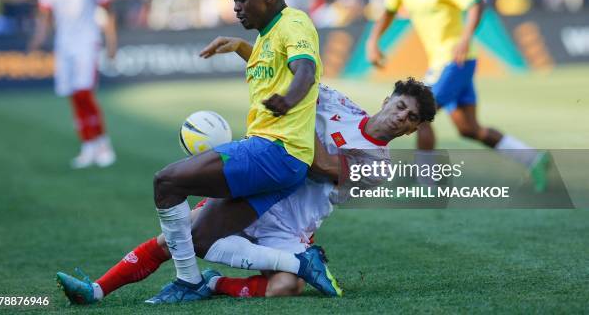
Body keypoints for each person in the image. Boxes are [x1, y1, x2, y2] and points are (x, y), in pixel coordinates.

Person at [55, 78, 437, 303]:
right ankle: (96, 290)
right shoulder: (339, 103)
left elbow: (322, 167)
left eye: (411, 117)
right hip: (257, 187)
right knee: (174, 239)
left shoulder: (379, 166)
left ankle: (212, 283)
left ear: (411, 130)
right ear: (387, 100)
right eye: (401, 105)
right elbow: (294, 83)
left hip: (289, 228)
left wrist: (299, 123)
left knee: (286, 287)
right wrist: (246, 52)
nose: (401, 116)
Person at [144, 0, 339, 303]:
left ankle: (188, 282)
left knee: (167, 181)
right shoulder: (267, 35)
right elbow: (273, 67)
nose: (235, 8)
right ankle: (299, 263)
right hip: (283, 162)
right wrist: (240, 47)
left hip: (275, 150)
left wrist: (289, 100)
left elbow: (305, 72)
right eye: (233, 0)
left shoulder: (295, 23)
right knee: (201, 238)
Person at [366, 0, 549, 190]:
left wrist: (464, 39)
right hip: (442, 64)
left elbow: (476, 3)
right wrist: (373, 41)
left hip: (455, 61)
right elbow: (389, 11)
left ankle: (424, 182)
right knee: (469, 129)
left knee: (419, 112)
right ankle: (534, 159)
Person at [28, 0, 117, 169]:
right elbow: (45, 15)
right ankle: (88, 144)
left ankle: (103, 143)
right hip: (64, 44)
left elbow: (107, 10)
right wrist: (38, 39)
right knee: (72, 95)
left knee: (84, 92)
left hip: (87, 42)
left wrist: (111, 42)